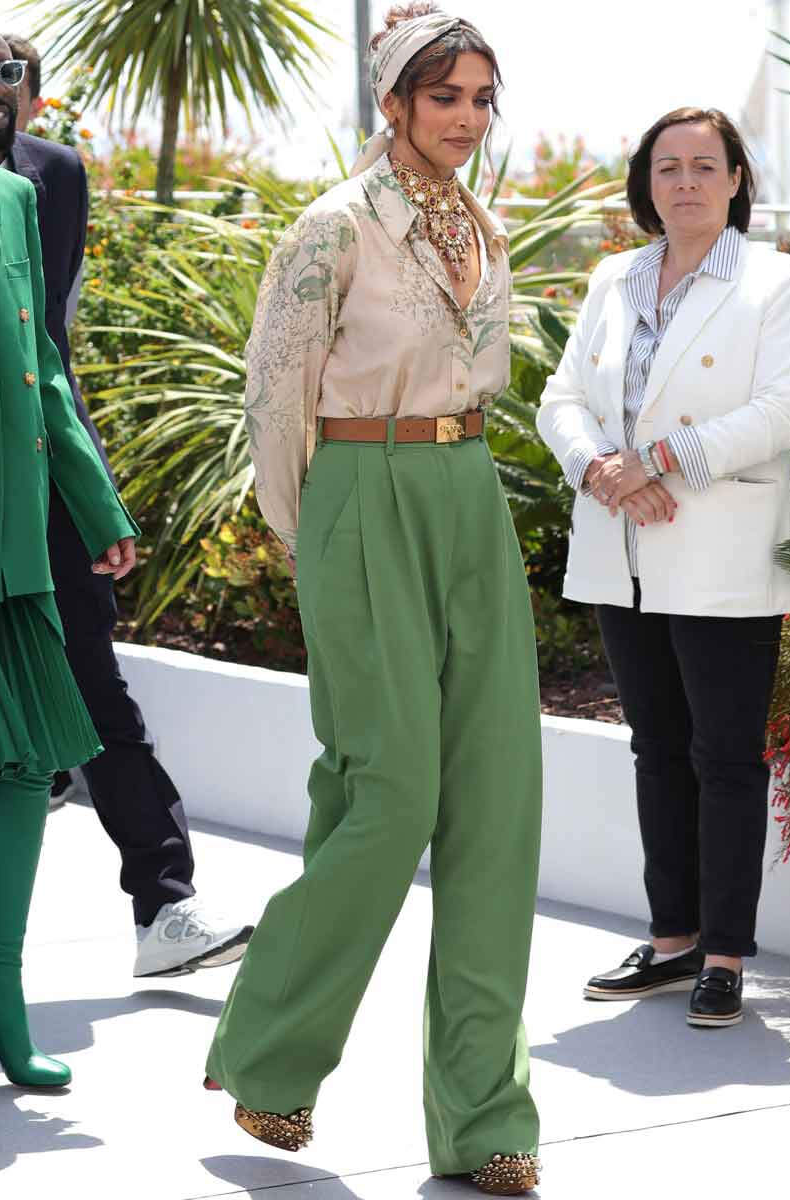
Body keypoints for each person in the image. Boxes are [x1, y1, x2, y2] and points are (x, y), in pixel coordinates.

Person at [204, 5, 542, 1194]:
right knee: (388, 791)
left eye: (482, 98)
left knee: (499, 798)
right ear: (393, 102)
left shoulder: (485, 229)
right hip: (360, 489)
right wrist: (320, 545)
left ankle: (486, 1116)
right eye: (444, 95)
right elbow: (274, 400)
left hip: (467, 490)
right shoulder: (330, 230)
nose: (465, 118)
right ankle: (270, 1055)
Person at [537, 107, 790, 1028]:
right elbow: (565, 395)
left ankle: (726, 955)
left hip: (722, 548)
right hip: (622, 543)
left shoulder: (777, 282)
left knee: (727, 757)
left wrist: (656, 462)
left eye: (707, 165)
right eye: (669, 167)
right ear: (646, 182)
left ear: (738, 179)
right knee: (656, 750)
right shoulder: (613, 277)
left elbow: (785, 411)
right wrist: (600, 472)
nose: (687, 182)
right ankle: (670, 943)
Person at [0, 28, 253, 979]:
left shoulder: (44, 179)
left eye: (6, 75)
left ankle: (167, 908)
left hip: (36, 474)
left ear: (33, 96)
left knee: (97, 688)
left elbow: (41, 354)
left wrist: (96, 506)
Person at [0, 74, 139, 1086]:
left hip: (13, 542)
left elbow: (40, 357)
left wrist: (97, 501)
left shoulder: (10, 199)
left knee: (31, 763)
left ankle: (0, 997)